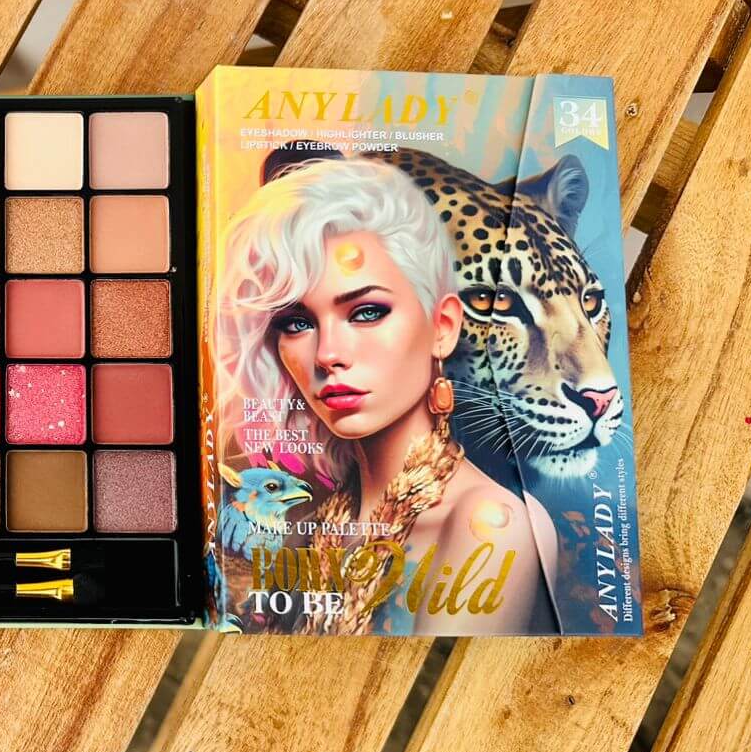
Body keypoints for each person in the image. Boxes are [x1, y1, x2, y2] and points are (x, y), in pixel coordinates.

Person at [215, 158, 549, 635]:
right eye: (297, 322)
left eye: (367, 312)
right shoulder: (312, 525)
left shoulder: (488, 525)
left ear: (442, 326)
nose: (328, 354)